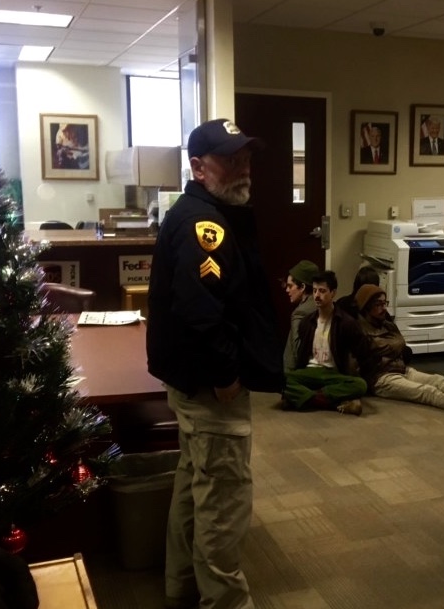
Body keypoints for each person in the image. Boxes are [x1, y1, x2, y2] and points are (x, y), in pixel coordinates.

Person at [146, 118, 285, 609]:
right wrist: (227, 374)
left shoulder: (210, 213)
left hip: (193, 384)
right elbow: (202, 312)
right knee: (224, 503)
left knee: (196, 485)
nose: (243, 168)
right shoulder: (201, 225)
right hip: (211, 389)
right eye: (230, 159)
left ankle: (181, 587)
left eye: (246, 157)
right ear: (199, 167)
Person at [355, 284, 444, 414]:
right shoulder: (359, 330)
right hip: (382, 378)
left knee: (438, 380)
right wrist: (392, 347)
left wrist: (389, 349)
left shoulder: (387, 324)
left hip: (402, 369)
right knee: (427, 391)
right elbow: (382, 351)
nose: (384, 308)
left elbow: (400, 345)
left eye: (385, 303)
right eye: (378, 304)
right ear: (366, 307)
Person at [282, 269, 369, 416]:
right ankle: (329, 401)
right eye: (315, 290)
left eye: (322, 291)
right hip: (310, 371)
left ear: (333, 293)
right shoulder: (307, 322)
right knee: (280, 379)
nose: (317, 295)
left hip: (333, 373)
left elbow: (362, 350)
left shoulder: (346, 323)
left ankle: (305, 398)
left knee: (360, 385)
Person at [283, 259, 319, 371]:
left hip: (298, 376)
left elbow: (298, 351)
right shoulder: (322, 305)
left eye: (290, 286)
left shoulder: (300, 313)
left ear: (302, 287)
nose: (287, 290)